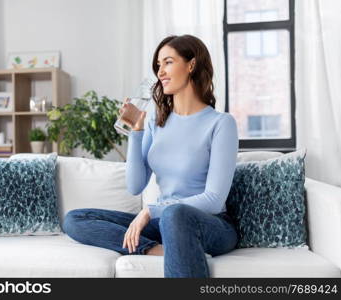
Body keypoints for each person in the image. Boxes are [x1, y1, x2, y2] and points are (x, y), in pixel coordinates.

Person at [63, 34, 239, 278]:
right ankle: (156, 250)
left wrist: (149, 211)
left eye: (168, 62)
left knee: (174, 214)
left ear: (191, 64)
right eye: (158, 66)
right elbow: (135, 186)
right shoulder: (157, 123)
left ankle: (177, 243)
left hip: (210, 224)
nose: (161, 72)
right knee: (75, 218)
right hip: (164, 224)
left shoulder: (221, 123)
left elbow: (213, 199)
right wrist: (136, 132)